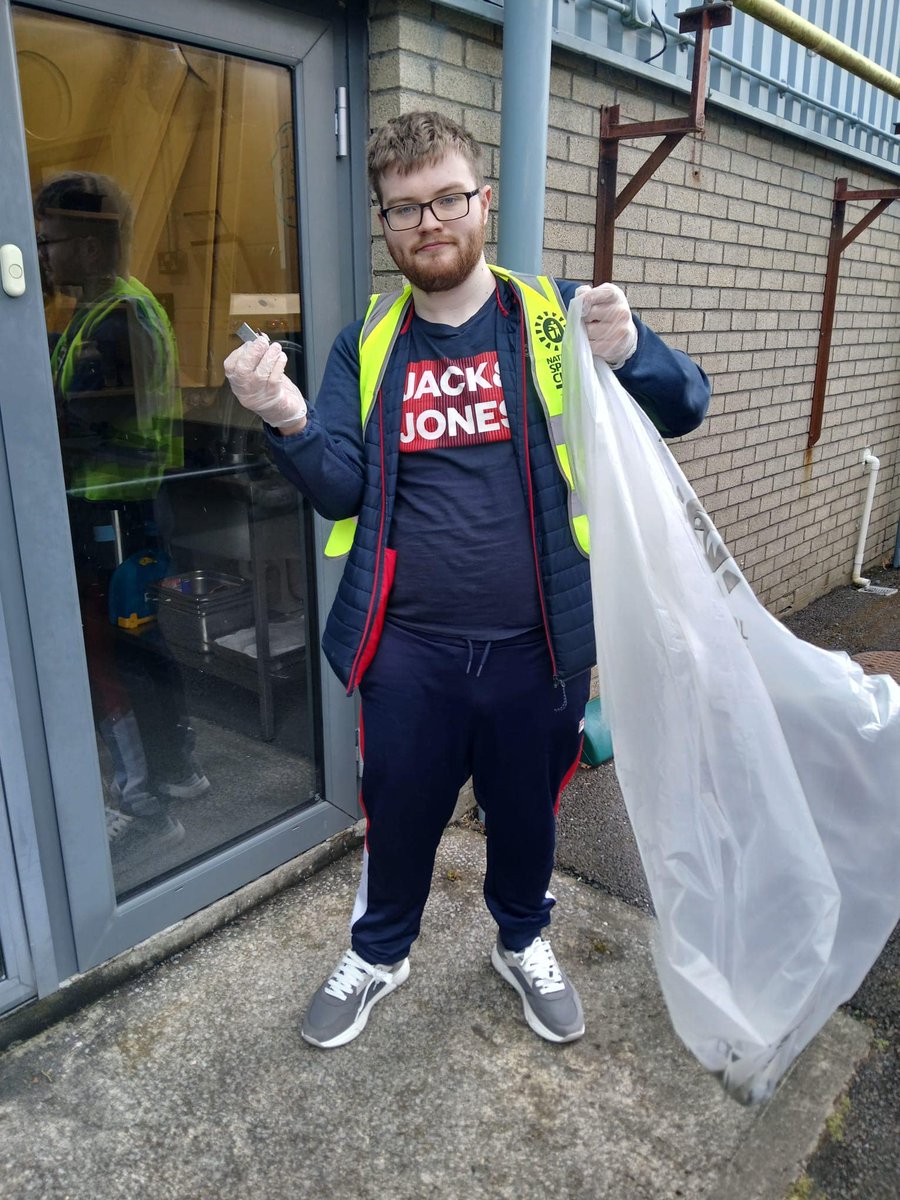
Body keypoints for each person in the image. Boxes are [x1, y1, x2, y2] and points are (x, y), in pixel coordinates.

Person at [224, 112, 710, 1049]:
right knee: (398, 816)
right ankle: (381, 951)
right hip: (408, 652)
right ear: (385, 223)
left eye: (448, 198)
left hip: (541, 647)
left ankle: (522, 939)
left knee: (528, 816)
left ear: (483, 202)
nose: (429, 221)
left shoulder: (553, 319)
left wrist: (635, 347)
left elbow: (685, 406)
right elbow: (339, 491)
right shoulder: (368, 345)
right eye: (404, 209)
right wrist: (285, 417)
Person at [35, 172, 208, 848]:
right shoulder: (105, 310)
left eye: (50, 241)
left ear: (89, 242)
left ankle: (147, 801)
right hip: (120, 509)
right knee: (139, 642)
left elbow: (82, 424)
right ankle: (174, 770)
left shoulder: (119, 319)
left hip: (114, 511)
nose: (43, 254)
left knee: (118, 651)